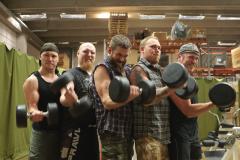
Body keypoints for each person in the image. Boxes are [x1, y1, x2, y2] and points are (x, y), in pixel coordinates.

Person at [91, 34, 140, 160]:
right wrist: (130, 96)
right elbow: (107, 102)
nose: (122, 59)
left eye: (125, 56)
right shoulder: (103, 69)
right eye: (119, 55)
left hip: (127, 131)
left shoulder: (127, 70)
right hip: (111, 132)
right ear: (109, 50)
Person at [129, 36, 175, 160]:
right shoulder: (139, 69)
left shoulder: (158, 70)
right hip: (148, 136)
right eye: (153, 47)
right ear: (142, 50)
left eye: (159, 48)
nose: (157, 50)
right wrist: (171, 88)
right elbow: (147, 99)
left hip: (163, 134)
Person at [168, 43, 214, 160]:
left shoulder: (189, 78)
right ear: (180, 57)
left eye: (196, 58)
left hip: (193, 131)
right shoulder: (174, 77)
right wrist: (213, 104)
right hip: (179, 134)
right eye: (191, 57)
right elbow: (188, 110)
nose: (194, 61)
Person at [59, 42, 99, 160]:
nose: (89, 54)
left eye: (92, 52)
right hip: (75, 131)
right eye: (85, 51)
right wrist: (68, 98)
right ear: (78, 54)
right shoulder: (70, 73)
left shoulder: (94, 76)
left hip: (92, 131)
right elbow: (63, 97)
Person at [23, 42, 61, 160]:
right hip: (42, 132)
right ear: (40, 57)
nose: (50, 59)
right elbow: (32, 106)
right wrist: (34, 112)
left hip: (61, 131)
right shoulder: (33, 80)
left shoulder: (62, 79)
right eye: (46, 55)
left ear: (58, 59)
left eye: (53, 56)